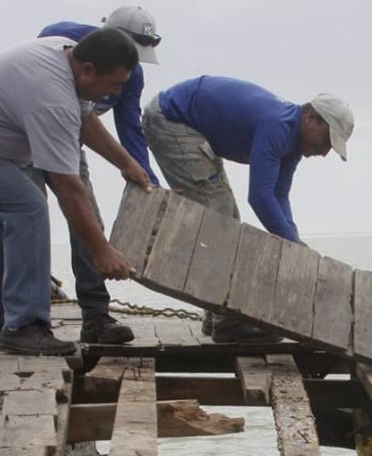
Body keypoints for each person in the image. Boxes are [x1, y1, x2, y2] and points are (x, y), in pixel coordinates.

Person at [0, 29, 146, 355]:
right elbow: (68, 186)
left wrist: (126, 162)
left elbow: (85, 120)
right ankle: (25, 326)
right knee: (29, 208)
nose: (116, 92)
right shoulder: (51, 96)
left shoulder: (64, 54)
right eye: (114, 84)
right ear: (88, 70)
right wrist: (101, 250)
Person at [142, 77, 353, 343]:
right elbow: (260, 196)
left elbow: (279, 195)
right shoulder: (277, 126)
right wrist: (291, 244)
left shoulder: (293, 143)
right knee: (219, 219)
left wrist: (294, 239)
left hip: (190, 124)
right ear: (311, 118)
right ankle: (227, 322)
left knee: (225, 217)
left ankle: (215, 314)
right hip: (169, 119)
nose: (324, 153)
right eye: (326, 142)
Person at [39, 6, 163, 344]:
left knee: (88, 221)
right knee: (27, 222)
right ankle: (24, 321)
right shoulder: (62, 35)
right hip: (27, 135)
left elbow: (129, 128)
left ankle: (95, 316)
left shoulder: (131, 75)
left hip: (70, 138)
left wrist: (147, 180)